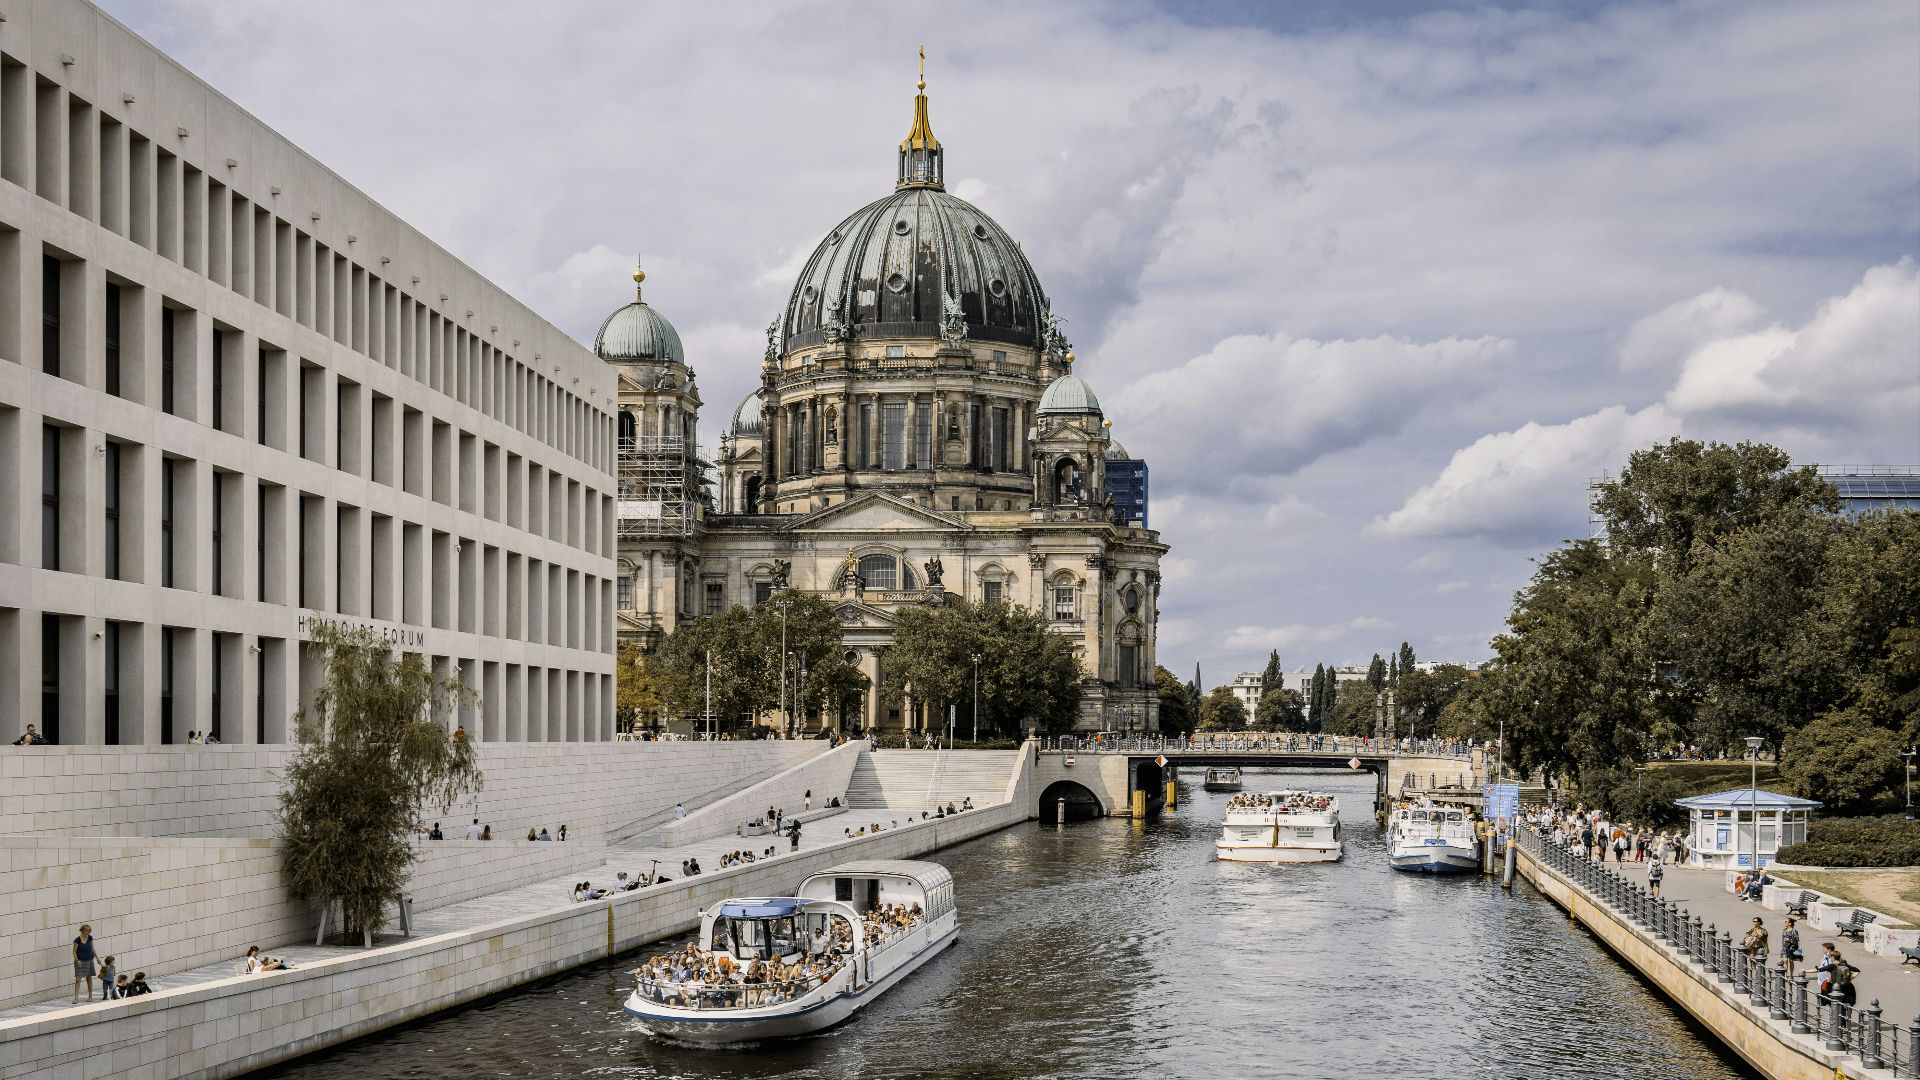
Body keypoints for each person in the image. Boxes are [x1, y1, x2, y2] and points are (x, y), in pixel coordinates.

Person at [72, 924, 97, 1004]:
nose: (88, 932)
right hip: (80, 961)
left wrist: (97, 958)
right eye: (87, 930)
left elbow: (92, 948)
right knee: (78, 979)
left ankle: (90, 996)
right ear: (82, 930)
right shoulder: (77, 940)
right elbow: (74, 951)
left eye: (89, 930)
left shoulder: (90, 938)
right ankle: (76, 998)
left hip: (89, 960)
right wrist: (77, 960)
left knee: (89, 978)